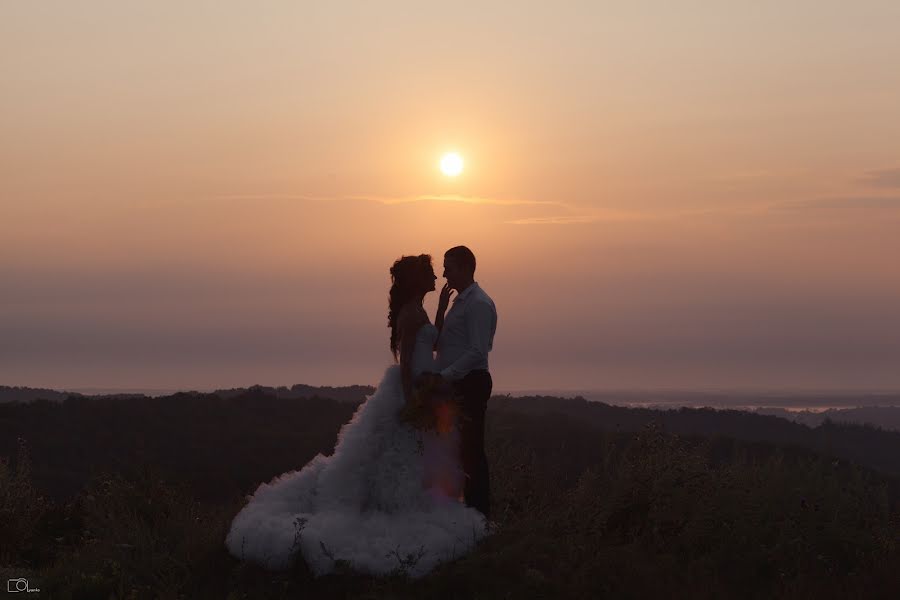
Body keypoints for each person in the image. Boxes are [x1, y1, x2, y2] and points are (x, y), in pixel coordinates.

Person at [225, 254, 487, 578]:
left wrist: (441, 312)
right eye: (432, 273)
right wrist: (410, 401)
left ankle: (411, 502)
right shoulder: (409, 314)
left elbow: (430, 347)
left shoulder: (420, 312)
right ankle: (389, 508)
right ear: (419, 280)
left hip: (425, 389)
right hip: (412, 391)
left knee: (421, 454)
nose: (438, 277)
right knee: (399, 453)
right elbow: (407, 363)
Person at [434, 246, 497, 519]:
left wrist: (444, 377)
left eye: (448, 267)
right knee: (457, 450)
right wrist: (440, 310)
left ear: (463, 268)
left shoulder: (479, 304)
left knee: (471, 451)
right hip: (457, 384)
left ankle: (479, 517)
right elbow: (441, 344)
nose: (444, 272)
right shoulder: (460, 303)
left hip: (470, 384)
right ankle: (466, 513)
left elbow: (477, 352)